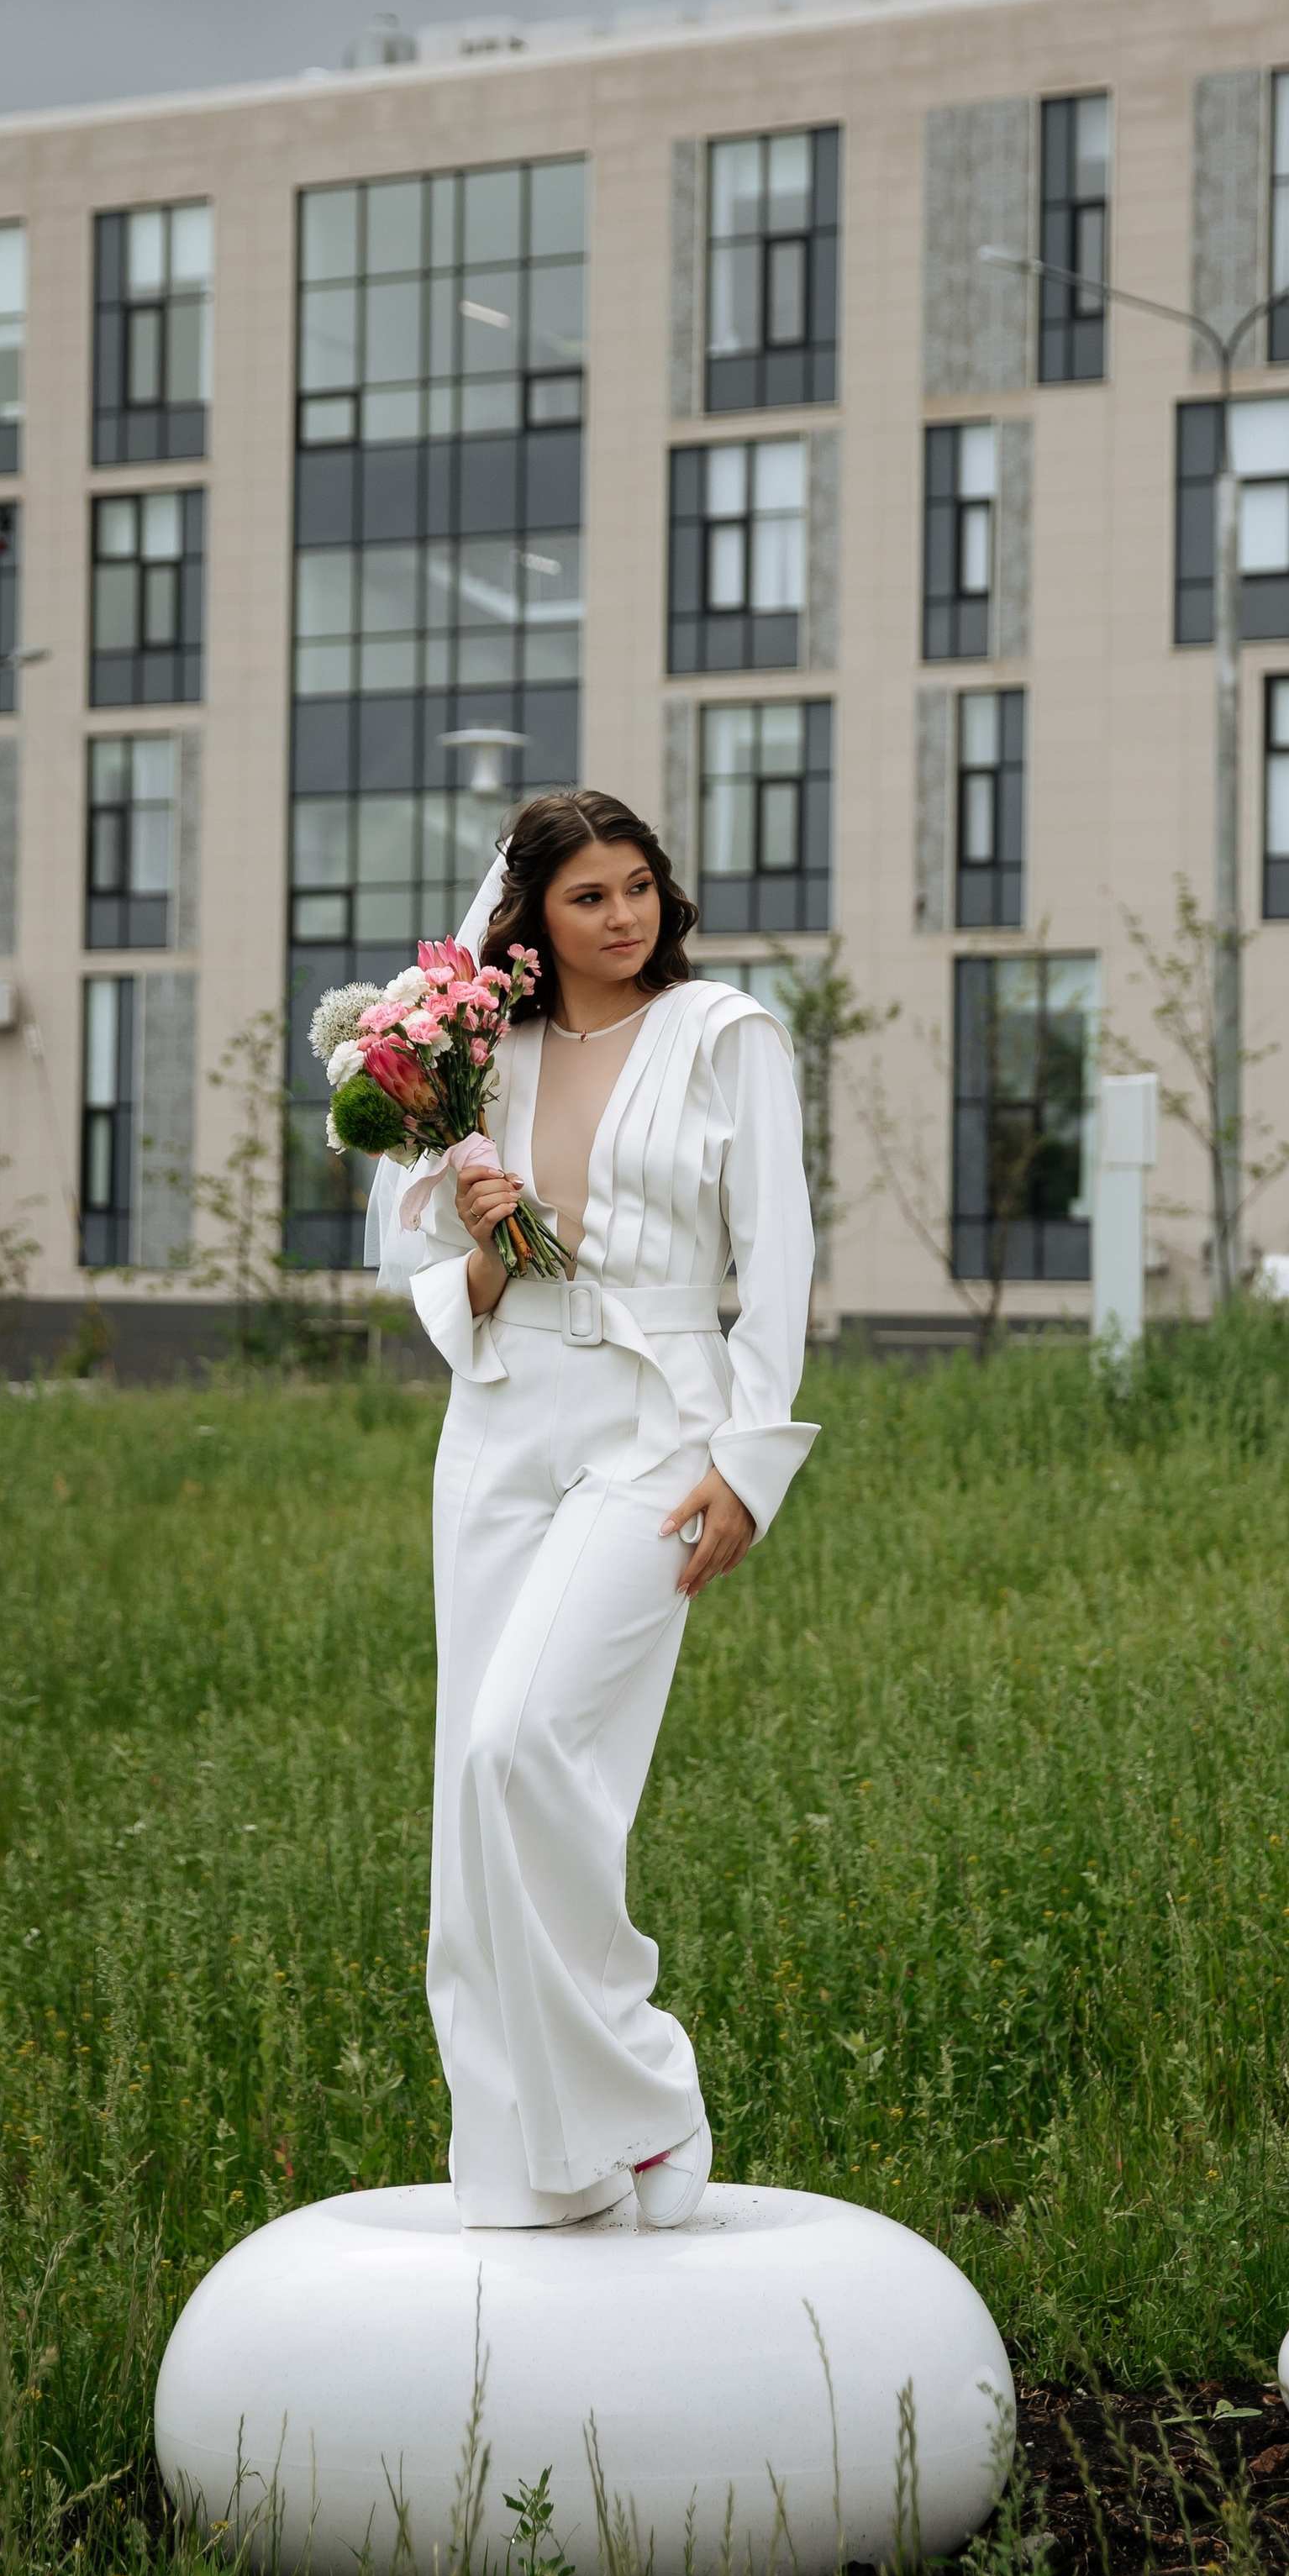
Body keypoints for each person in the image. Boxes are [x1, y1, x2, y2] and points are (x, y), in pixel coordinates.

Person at [366, 791, 817, 2229]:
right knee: (467, 1799)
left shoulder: (725, 1035)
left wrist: (753, 1462)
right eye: (589, 898)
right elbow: (426, 1272)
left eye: (640, 888)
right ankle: (533, 2155)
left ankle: (643, 2101)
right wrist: (488, 1233)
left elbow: (783, 1258)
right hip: (501, 1423)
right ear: (532, 920)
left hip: (657, 1425)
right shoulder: (472, 1054)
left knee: (521, 1749)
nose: (624, 918)